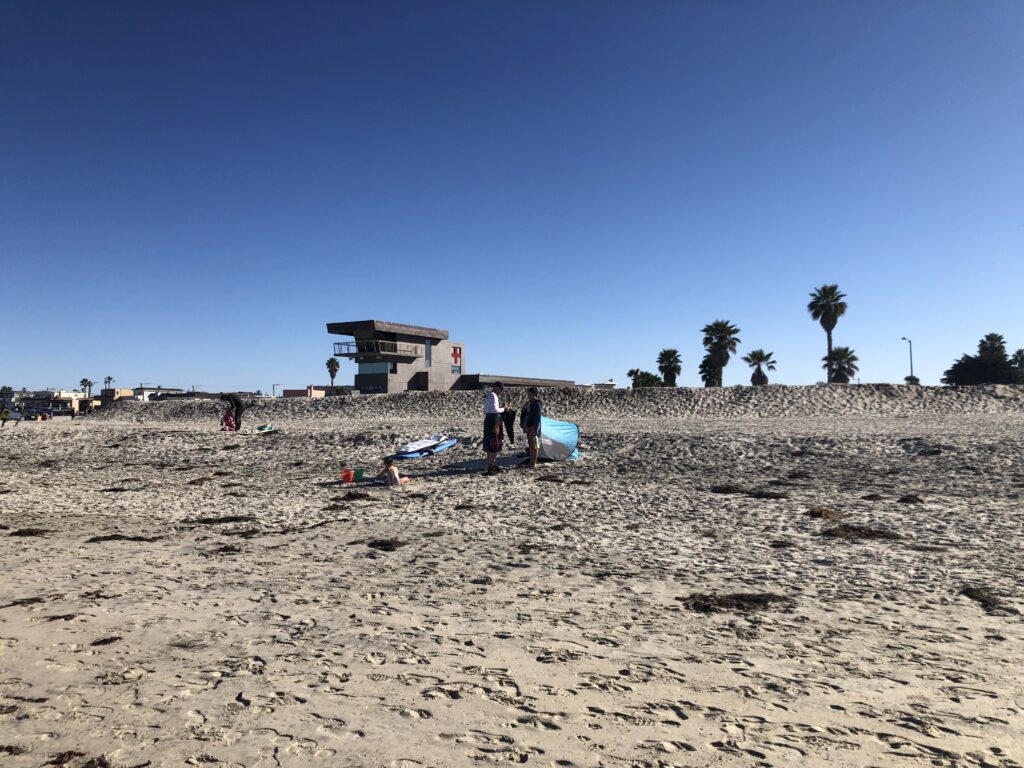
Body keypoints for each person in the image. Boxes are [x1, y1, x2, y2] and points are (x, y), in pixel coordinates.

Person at [483, 381, 512, 475]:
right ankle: (491, 466)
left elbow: (491, 409)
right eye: (501, 390)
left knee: (490, 443)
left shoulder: (489, 395)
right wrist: (504, 409)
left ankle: (491, 464)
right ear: (498, 388)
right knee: (494, 443)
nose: (501, 392)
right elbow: (495, 410)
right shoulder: (493, 395)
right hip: (493, 421)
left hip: (489, 419)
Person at [522, 387, 543, 469]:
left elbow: (537, 417)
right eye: (528, 394)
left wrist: (535, 429)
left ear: (534, 394)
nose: (528, 396)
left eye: (529, 394)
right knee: (530, 445)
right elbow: (525, 413)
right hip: (529, 425)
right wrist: (525, 408)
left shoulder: (537, 403)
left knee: (535, 445)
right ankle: (531, 462)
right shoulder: (530, 403)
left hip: (534, 426)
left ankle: (534, 463)